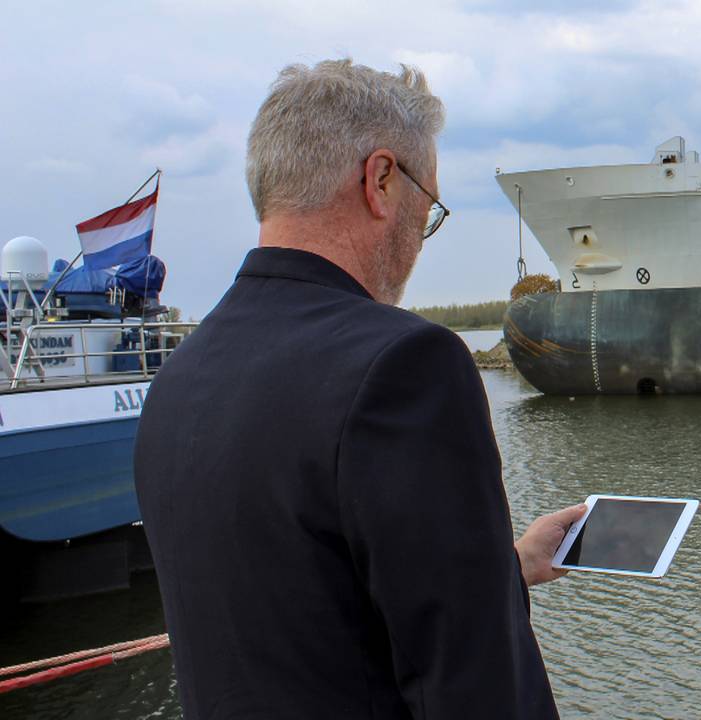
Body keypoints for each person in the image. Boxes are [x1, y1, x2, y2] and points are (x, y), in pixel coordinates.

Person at [134, 59, 583, 719]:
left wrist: (502, 569)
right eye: (428, 209)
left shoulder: (179, 377)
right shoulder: (405, 364)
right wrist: (482, 598)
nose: (420, 242)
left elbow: (300, 608)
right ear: (380, 180)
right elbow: (475, 677)